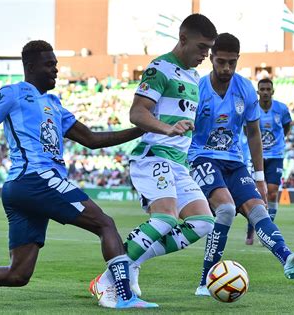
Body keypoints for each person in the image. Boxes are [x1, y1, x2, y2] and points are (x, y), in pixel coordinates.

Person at [0, 40, 158, 309]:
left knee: (18, 274)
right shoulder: (14, 93)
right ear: (30, 66)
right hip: (36, 178)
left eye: (56, 64)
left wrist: (142, 130)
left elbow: (93, 139)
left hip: (24, 188)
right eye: (49, 64)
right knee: (105, 224)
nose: (56, 70)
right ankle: (124, 296)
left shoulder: (54, 103)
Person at [89, 14, 218, 307]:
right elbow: (137, 113)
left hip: (178, 163)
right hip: (154, 156)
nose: (204, 55)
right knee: (166, 218)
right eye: (201, 48)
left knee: (202, 222)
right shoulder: (160, 68)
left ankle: (131, 263)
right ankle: (110, 283)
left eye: (208, 49)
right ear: (183, 39)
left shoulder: (194, 77)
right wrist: (166, 128)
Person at [187, 33, 294, 296]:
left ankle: (287, 258)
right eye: (221, 62)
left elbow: (253, 134)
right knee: (225, 209)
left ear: (237, 60)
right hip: (203, 157)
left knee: (259, 212)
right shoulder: (197, 88)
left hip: (235, 162)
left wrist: (259, 177)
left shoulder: (245, 88)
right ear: (211, 59)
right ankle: (204, 281)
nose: (226, 69)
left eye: (232, 63)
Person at [245, 78, 292, 245]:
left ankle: (267, 228)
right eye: (262, 89)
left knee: (272, 192)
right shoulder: (252, 107)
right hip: (256, 155)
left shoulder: (281, 109)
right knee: (256, 193)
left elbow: (287, 126)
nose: (265, 92)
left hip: (276, 155)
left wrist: (277, 143)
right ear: (258, 92)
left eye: (268, 89)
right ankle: (251, 229)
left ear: (272, 91)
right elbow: (247, 130)